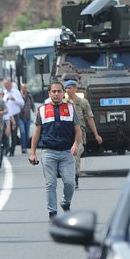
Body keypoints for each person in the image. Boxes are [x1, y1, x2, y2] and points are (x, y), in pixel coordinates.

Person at [29, 81, 82, 220]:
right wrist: (33, 153)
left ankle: (65, 202)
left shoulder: (70, 108)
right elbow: (36, 133)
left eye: (59, 91)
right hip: (49, 152)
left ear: (63, 93)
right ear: (49, 93)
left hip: (66, 152)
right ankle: (52, 213)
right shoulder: (42, 110)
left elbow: (78, 130)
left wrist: (75, 144)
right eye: (54, 91)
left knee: (70, 183)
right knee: (50, 183)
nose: (57, 94)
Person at [63, 80, 103, 189]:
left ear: (75, 89)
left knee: (75, 154)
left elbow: (90, 118)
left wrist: (96, 135)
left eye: (70, 88)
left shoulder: (83, 102)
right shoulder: (63, 103)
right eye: (66, 88)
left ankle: (75, 177)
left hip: (79, 134)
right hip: (65, 134)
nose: (67, 90)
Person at [3, 77, 24, 156]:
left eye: (8, 84)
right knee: (5, 134)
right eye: (5, 84)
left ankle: (12, 151)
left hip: (15, 116)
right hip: (6, 117)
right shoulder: (3, 93)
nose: (7, 85)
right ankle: (6, 149)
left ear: (11, 84)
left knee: (14, 134)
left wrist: (15, 100)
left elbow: (22, 104)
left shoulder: (16, 92)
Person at [19, 82, 36, 153]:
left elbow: (32, 105)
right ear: (21, 88)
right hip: (20, 117)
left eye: (26, 88)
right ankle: (23, 147)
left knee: (27, 133)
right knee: (22, 132)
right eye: (23, 88)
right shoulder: (18, 96)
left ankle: (25, 147)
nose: (24, 89)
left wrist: (35, 113)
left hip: (28, 117)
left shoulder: (29, 96)